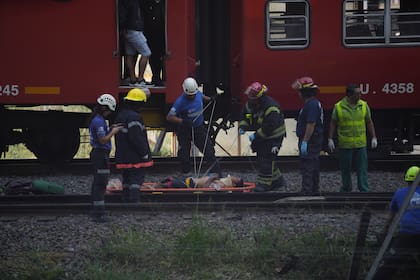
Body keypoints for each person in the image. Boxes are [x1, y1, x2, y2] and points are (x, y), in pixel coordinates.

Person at [166, 77, 221, 176]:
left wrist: (211, 99)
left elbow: (202, 97)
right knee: (184, 153)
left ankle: (216, 174)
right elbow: (170, 117)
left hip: (198, 128)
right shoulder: (180, 102)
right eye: (190, 95)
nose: (192, 96)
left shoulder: (198, 94)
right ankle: (186, 173)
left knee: (208, 150)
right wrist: (183, 121)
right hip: (185, 130)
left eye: (193, 94)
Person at [328, 84, 378, 192]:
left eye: (360, 93)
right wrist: (330, 139)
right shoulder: (339, 107)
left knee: (362, 169)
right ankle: (346, 188)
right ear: (349, 95)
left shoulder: (363, 105)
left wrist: (373, 137)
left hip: (361, 143)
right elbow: (333, 122)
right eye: (357, 93)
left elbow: (369, 121)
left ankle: (364, 189)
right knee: (345, 169)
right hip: (345, 144)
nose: (360, 95)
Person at [373, 166, 420, 280]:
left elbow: (390, 217)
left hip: (406, 234)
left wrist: (385, 230)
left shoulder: (399, 193)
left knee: (391, 263)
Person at [239, 82, 287, 192]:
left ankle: (264, 184)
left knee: (266, 159)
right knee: (265, 158)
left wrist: (255, 135)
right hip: (264, 136)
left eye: (252, 97)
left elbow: (269, 126)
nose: (250, 99)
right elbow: (245, 115)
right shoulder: (252, 103)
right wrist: (243, 126)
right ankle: (278, 181)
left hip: (274, 137)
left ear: (259, 97)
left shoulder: (271, 107)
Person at [114, 88, 154, 203]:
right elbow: (136, 138)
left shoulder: (121, 115)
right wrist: (145, 153)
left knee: (126, 178)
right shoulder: (134, 117)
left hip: (122, 154)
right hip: (134, 156)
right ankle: (134, 200)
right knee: (136, 179)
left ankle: (125, 198)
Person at [88, 93, 122, 222]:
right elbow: (102, 140)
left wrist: (111, 128)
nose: (109, 114)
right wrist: (113, 132)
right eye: (109, 111)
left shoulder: (98, 120)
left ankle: (95, 210)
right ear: (104, 109)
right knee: (101, 183)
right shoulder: (98, 121)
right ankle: (99, 214)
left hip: (99, 154)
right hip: (100, 154)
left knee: (97, 182)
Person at [292, 77, 324, 195]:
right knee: (313, 165)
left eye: (300, 91)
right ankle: (314, 190)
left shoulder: (311, 105)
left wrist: (305, 141)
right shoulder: (312, 103)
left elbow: (311, 124)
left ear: (304, 92)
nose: (298, 94)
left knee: (308, 165)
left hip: (311, 140)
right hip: (314, 139)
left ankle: (307, 191)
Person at [119, 0, 152, 87]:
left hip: (128, 29)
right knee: (146, 52)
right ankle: (140, 79)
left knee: (130, 54)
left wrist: (122, 27)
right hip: (134, 29)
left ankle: (133, 79)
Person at [142, 0, 166, 86]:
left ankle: (163, 78)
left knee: (163, 56)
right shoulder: (147, 3)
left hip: (163, 34)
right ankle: (156, 77)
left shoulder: (164, 3)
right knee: (153, 57)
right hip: (151, 34)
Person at [156, 174, 244, 190]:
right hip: (189, 180)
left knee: (169, 183)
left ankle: (153, 188)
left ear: (234, 184)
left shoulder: (222, 185)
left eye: (237, 178)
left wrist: (211, 178)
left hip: (190, 185)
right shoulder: (222, 181)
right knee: (170, 179)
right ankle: (155, 186)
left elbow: (206, 188)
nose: (234, 177)